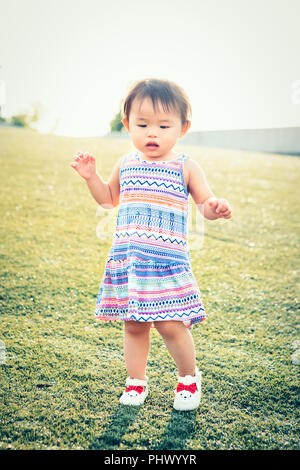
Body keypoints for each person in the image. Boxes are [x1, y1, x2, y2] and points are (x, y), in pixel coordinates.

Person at [70, 78, 232, 411]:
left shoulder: (185, 165)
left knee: (171, 325)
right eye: (142, 124)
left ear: (183, 128)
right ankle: (136, 382)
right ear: (128, 124)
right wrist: (92, 178)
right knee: (134, 325)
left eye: (163, 125)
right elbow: (108, 200)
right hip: (131, 261)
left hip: (167, 262)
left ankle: (188, 378)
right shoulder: (126, 163)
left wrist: (214, 208)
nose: (152, 133)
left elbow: (204, 202)